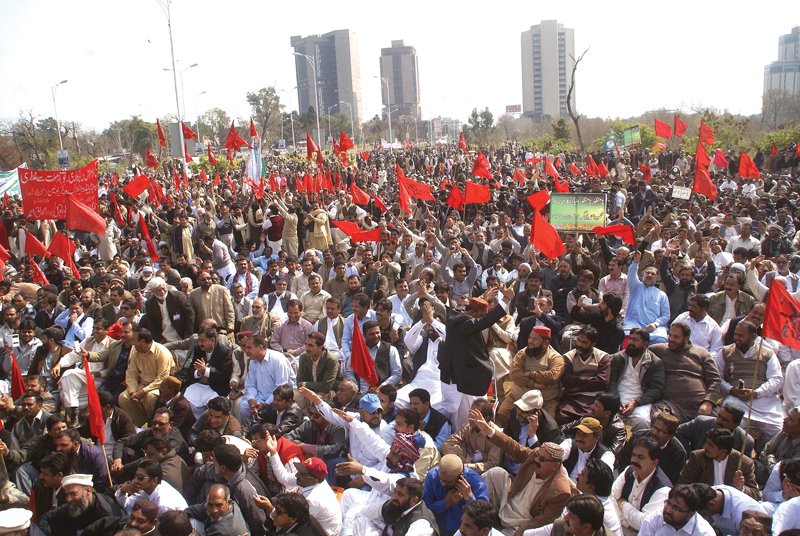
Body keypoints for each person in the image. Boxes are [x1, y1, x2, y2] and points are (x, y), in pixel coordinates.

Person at [468, 409, 573, 531]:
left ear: (555, 466)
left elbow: (544, 520)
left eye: (542, 459)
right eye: (538, 455)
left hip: (521, 522)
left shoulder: (560, 491)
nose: (537, 460)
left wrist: (523, 529)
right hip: (511, 498)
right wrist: (486, 429)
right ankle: (476, 512)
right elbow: (511, 445)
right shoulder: (535, 457)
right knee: (496, 473)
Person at [440, 287, 515, 430]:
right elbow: (485, 321)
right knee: (465, 418)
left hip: (459, 376)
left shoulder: (454, 315)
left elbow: (475, 310)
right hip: (462, 380)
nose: (482, 317)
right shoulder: (466, 324)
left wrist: (483, 299)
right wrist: (506, 300)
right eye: (481, 314)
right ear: (474, 313)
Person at [715, 320, 785, 444]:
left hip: (763, 401)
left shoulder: (767, 354)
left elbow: (777, 379)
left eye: (741, 335)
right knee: (731, 423)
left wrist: (756, 393)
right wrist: (730, 389)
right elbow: (717, 377)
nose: (737, 338)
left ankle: (764, 458)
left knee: (777, 429)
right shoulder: (725, 352)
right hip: (736, 399)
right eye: (736, 334)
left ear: (753, 336)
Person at [262, 429, 342, 536]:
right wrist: (273, 452)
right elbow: (284, 478)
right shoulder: (308, 480)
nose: (296, 475)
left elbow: (293, 523)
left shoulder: (312, 500)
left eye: (302, 473)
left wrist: (271, 510)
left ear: (313, 480)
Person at [648, 322, 720, 423]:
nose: (671, 339)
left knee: (719, 426)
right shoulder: (659, 349)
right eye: (670, 335)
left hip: (699, 405)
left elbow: (715, 381)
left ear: (686, 339)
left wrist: (708, 402)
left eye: (676, 337)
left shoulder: (702, 353)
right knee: (659, 421)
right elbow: (637, 352)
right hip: (670, 405)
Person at [498, 325, 564, 425]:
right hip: (518, 398)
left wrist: (529, 374)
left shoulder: (555, 358)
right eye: (530, 337)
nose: (530, 341)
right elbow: (515, 375)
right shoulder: (522, 354)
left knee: (548, 425)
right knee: (502, 414)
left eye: (535, 339)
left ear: (545, 343)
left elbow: (552, 377)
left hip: (545, 401)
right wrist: (534, 384)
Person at [611, 436, 672, 536]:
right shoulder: (629, 471)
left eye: (641, 457)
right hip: (619, 526)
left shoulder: (663, 489)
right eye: (633, 455)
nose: (634, 460)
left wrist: (622, 503)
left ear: (655, 462)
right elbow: (611, 497)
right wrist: (626, 523)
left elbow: (644, 523)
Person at [607, 328, 664, 434]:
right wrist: (615, 400)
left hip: (640, 401)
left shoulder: (655, 362)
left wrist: (636, 402)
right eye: (630, 339)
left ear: (645, 343)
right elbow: (612, 382)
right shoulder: (618, 358)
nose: (631, 343)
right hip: (618, 397)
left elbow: (657, 389)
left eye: (635, 340)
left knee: (642, 421)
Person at [677, 427, 760, 498]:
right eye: (706, 442)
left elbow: (755, 494)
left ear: (723, 452)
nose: (705, 447)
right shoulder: (697, 457)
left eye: (710, 445)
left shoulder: (744, 463)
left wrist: (741, 488)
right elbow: (683, 485)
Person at [117, 328, 174, 427]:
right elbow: (131, 374)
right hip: (141, 385)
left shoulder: (161, 353)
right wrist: (133, 391)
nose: (132, 343)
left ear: (142, 341)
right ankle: (142, 425)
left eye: (134, 340)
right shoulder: (135, 351)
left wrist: (143, 392)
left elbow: (162, 379)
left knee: (151, 397)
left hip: (159, 387)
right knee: (123, 398)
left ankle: (153, 424)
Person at [422, 454, 489, 536]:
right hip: (436, 528)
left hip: (463, 532)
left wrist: (469, 498)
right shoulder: (432, 476)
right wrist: (445, 503)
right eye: (441, 479)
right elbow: (425, 509)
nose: (443, 484)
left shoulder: (476, 482)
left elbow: (484, 517)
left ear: (461, 476)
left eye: (448, 481)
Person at [38, 473, 123, 536]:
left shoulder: (106, 514)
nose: (68, 499)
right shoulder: (76, 503)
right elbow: (46, 518)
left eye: (73, 493)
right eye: (67, 494)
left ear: (88, 491)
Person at [556, 327, 611, 425]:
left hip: (595, 398)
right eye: (578, 340)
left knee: (590, 420)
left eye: (584, 342)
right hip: (572, 398)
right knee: (562, 416)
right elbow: (566, 381)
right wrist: (588, 379)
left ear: (593, 344)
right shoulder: (568, 357)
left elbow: (602, 382)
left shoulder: (603, 357)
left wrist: (577, 386)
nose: (579, 344)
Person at [616, 412, 687, 485]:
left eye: (660, 431)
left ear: (670, 436)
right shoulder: (637, 437)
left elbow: (671, 481)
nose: (654, 433)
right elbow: (623, 461)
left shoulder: (678, 453)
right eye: (654, 427)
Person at [239, 334, 294, 427]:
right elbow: (250, 384)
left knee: (266, 411)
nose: (246, 351)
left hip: (278, 397)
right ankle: (249, 433)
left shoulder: (278, 360)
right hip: (260, 396)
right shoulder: (252, 361)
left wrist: (264, 404)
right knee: (243, 407)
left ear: (260, 347)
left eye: (249, 348)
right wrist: (252, 400)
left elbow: (281, 387)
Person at [442, 398, 504, 475]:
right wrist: (459, 462)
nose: (470, 418)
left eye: (474, 415)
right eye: (470, 413)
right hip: (464, 466)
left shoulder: (496, 436)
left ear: (486, 418)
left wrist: (467, 467)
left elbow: (493, 464)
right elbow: (447, 444)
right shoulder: (467, 427)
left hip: (484, 474)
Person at [675, 403, 755, 457]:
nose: (719, 421)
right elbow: (678, 432)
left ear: (736, 424)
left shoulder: (746, 441)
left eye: (725, 420)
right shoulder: (701, 422)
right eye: (719, 416)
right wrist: (688, 455)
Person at [623, 251, 670, 343]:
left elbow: (666, 315)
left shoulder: (662, 295)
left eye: (653, 274)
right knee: (627, 338)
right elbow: (632, 273)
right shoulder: (635, 287)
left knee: (661, 340)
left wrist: (655, 324)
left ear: (657, 278)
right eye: (647, 273)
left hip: (653, 329)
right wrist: (636, 262)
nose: (649, 275)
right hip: (632, 325)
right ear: (642, 276)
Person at [636, 484, 715, 536]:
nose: (668, 510)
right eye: (669, 503)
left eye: (676, 508)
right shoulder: (655, 519)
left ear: (690, 514)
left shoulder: (704, 533)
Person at [694, 483, 766, 536]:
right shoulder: (712, 492)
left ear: (712, 504)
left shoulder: (742, 517)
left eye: (702, 513)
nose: (701, 515)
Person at [141, 277, 194, 344]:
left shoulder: (178, 297)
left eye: (163, 289)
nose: (162, 292)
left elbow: (190, 315)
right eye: (158, 290)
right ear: (153, 291)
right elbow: (152, 324)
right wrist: (159, 339)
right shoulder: (149, 304)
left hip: (181, 334)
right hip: (165, 338)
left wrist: (188, 335)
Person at [185, 483, 251, 536]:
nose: (214, 510)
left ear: (229, 503)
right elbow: (191, 511)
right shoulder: (216, 503)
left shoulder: (224, 531)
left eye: (219, 505)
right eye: (210, 504)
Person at [257, 492, 328, 536]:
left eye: (279, 511)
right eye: (276, 509)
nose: (273, 514)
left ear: (293, 518)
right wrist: (269, 508)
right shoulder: (308, 518)